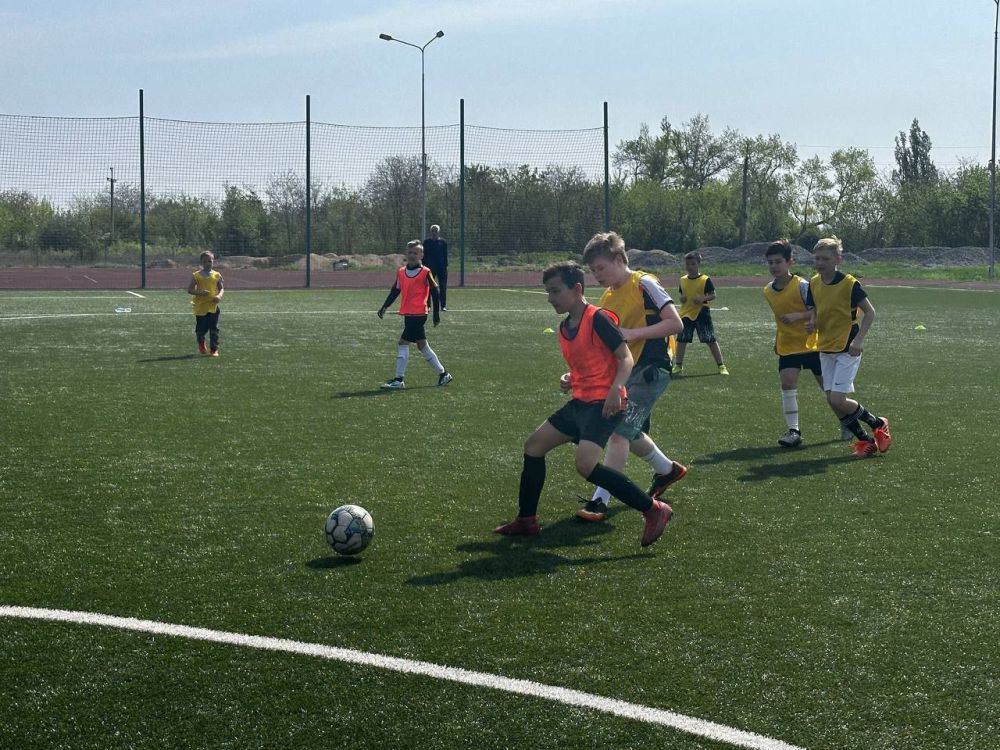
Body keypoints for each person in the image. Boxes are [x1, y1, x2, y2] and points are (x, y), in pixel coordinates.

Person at [493, 261, 673, 548]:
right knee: (534, 446)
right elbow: (590, 363)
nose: (550, 298)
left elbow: (625, 358)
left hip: (603, 405)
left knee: (585, 465)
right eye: (548, 291)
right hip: (580, 403)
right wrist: (570, 378)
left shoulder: (598, 318)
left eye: (555, 291)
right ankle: (526, 520)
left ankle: (653, 509)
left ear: (577, 289)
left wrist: (616, 390)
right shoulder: (565, 327)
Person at [575, 231, 687, 522]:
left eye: (601, 267)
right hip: (628, 371)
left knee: (618, 430)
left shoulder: (644, 283)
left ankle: (600, 500)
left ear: (619, 259)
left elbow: (676, 324)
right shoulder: (607, 297)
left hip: (652, 367)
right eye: (593, 270)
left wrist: (634, 333)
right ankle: (667, 470)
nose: (597, 275)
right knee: (629, 430)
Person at [804, 237, 892, 458]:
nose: (820, 263)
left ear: (838, 259)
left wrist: (858, 341)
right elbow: (815, 309)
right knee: (832, 401)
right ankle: (866, 441)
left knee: (838, 400)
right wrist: (812, 321)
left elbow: (870, 312)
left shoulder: (850, 284)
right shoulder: (813, 283)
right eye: (817, 258)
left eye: (825, 258)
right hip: (825, 347)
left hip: (847, 348)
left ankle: (878, 423)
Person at [763, 239, 846, 448]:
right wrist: (777, 339)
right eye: (770, 262)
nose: (774, 266)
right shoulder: (768, 290)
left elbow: (818, 311)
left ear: (790, 262)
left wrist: (799, 316)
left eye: (778, 262)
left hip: (813, 344)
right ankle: (794, 431)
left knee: (829, 390)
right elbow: (778, 319)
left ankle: (846, 421)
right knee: (787, 384)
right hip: (787, 345)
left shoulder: (802, 286)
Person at [377, 240, 452, 389]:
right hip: (408, 313)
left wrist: (436, 314)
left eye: (415, 253)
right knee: (422, 345)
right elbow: (395, 290)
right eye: (410, 252)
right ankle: (443, 374)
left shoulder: (425, 272)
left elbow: (435, 292)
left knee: (403, 342)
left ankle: (399, 380)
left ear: (421, 255)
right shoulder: (401, 272)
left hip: (418, 314)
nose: (412, 255)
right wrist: (385, 306)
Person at [673, 251, 729, 376]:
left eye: (693, 264)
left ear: (698, 264)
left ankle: (721, 365)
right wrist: (682, 298)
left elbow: (713, 295)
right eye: (688, 264)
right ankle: (678, 365)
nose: (690, 266)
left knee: (710, 339)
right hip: (686, 313)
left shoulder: (705, 280)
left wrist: (703, 298)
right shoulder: (682, 280)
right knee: (681, 340)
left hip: (702, 313)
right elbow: (682, 294)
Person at [186, 250, 224, 357]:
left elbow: (221, 289)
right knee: (201, 329)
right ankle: (201, 343)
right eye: (205, 262)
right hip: (201, 307)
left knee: (214, 328)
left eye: (210, 261)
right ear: (201, 262)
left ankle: (214, 349)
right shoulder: (196, 275)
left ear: (213, 261)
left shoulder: (217, 275)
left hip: (213, 306)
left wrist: (219, 296)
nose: (208, 264)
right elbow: (190, 290)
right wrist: (200, 292)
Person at [423, 224, 449, 310]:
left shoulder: (443, 242)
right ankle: (428, 305)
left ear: (439, 232)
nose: (434, 233)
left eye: (436, 231)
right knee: (429, 287)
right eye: (432, 231)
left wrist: (445, 266)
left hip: (441, 268)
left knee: (442, 287)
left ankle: (443, 305)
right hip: (429, 268)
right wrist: (423, 266)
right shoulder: (426, 242)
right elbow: (424, 255)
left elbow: (445, 255)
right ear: (430, 232)